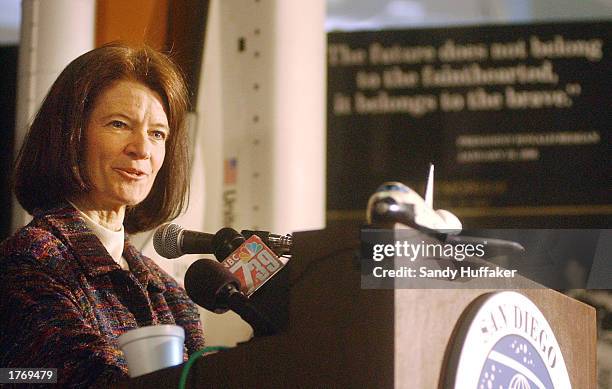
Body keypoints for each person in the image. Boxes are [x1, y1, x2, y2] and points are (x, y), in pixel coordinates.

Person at [0, 43, 205, 387]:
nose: (141, 148)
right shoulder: (31, 260)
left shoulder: (167, 292)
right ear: (71, 137)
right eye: (119, 124)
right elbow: (57, 377)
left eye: (157, 133)